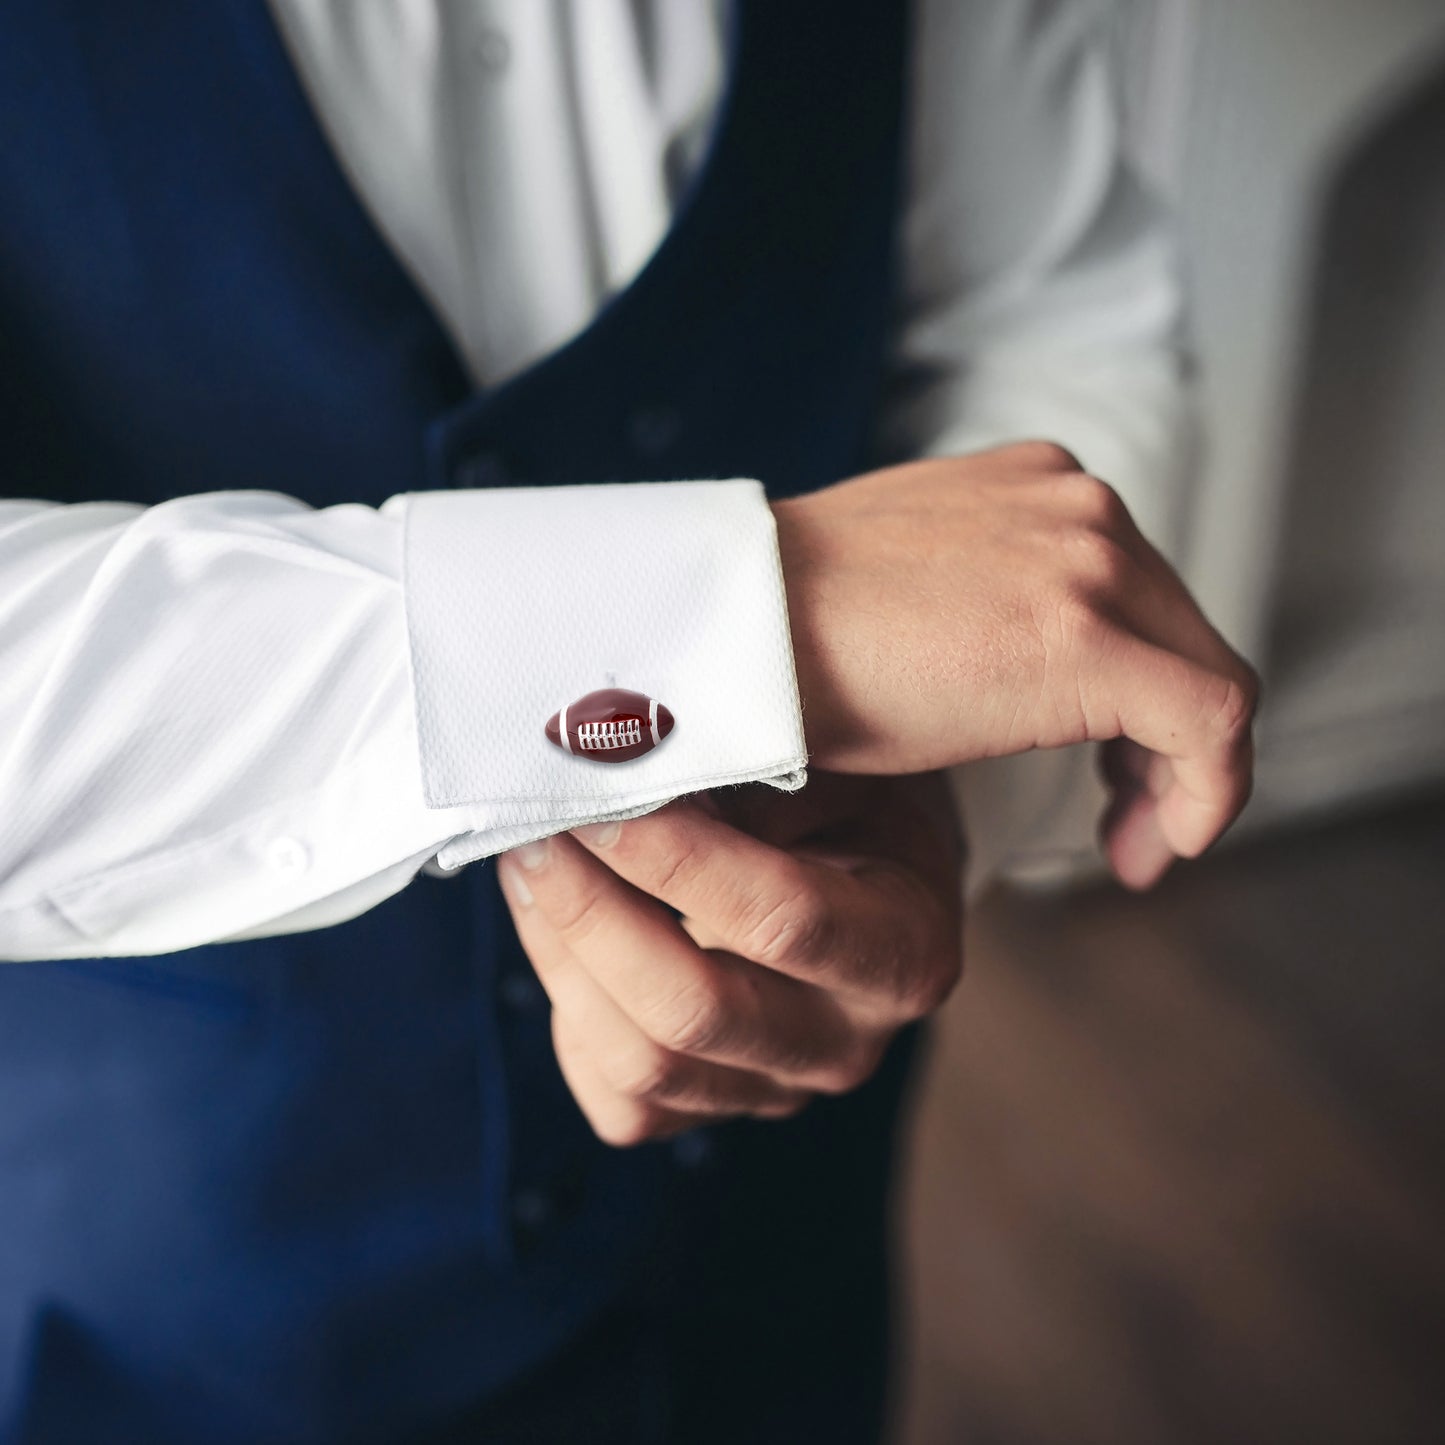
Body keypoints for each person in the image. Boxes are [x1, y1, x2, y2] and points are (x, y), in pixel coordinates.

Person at [0, 2, 1255, 1441]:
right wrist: (740, 623)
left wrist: (939, 788)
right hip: (180, 1286)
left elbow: (1040, 302)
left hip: (774, 1239)